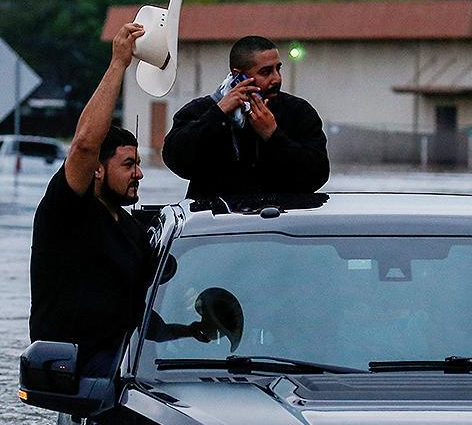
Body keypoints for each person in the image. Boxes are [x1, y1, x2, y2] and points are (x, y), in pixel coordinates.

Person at [29, 21, 155, 377]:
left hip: (131, 363)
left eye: (139, 164)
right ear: (97, 170)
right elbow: (85, 144)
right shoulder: (67, 210)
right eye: (128, 164)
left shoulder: (133, 231)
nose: (139, 175)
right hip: (79, 370)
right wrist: (119, 64)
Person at [161, 35, 329, 199]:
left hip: (279, 221)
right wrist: (218, 115)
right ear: (238, 76)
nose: (276, 78)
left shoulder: (298, 112)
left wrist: (273, 135)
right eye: (266, 72)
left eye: (278, 69)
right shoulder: (201, 110)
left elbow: (317, 175)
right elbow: (177, 160)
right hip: (217, 223)